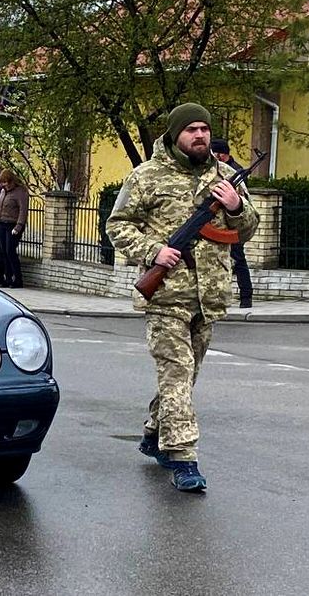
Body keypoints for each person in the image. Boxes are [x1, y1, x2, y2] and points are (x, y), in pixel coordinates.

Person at [106, 103, 259, 493]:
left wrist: (236, 207)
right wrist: (152, 251)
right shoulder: (146, 177)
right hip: (166, 296)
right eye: (192, 129)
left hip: (209, 296)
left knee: (185, 377)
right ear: (176, 134)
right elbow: (117, 226)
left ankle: (153, 432)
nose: (200, 135)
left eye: (205, 128)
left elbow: (247, 230)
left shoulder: (225, 177)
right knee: (176, 372)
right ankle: (183, 457)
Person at [211, 138, 254, 308]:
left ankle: (246, 296)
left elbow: (242, 198)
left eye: (215, 153)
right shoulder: (215, 169)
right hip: (218, 222)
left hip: (232, 222)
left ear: (222, 154)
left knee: (238, 259)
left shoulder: (233, 172)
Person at [0, 169, 29, 288]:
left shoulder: (20, 192)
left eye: (6, 182)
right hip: (1, 223)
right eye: (2, 182)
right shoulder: (3, 191)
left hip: (12, 225)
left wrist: (18, 226)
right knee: (3, 252)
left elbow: (23, 211)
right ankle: (8, 278)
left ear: (11, 181)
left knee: (10, 251)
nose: (4, 185)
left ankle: (18, 278)